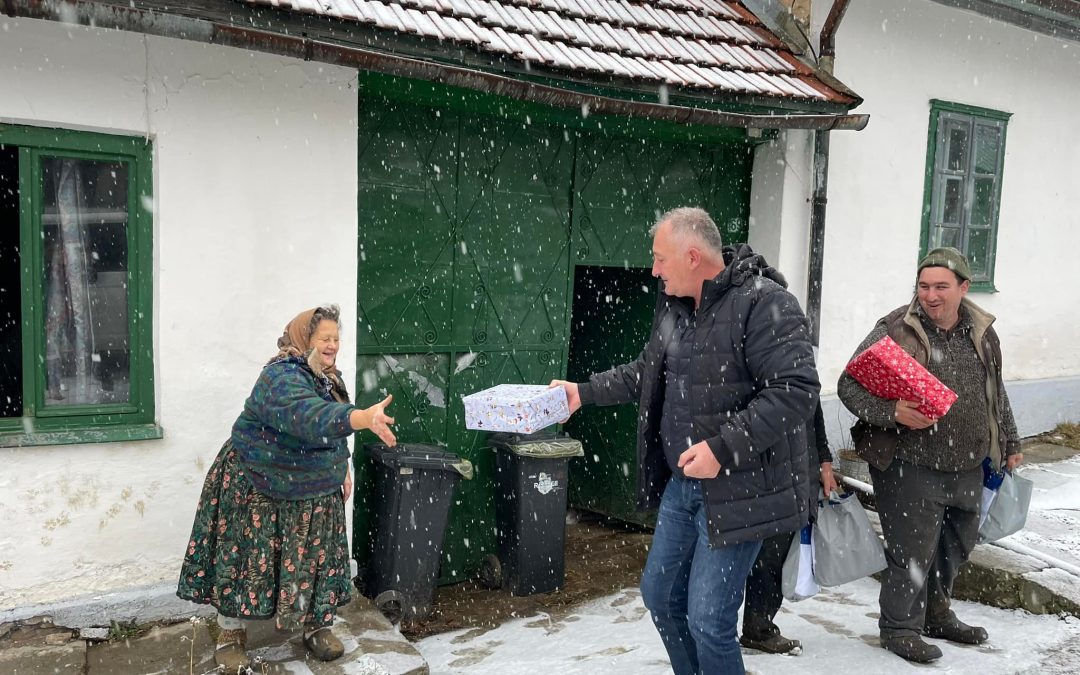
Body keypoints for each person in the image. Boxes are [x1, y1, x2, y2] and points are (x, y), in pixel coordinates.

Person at [551, 207, 820, 675]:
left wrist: (723, 448)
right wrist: (583, 393)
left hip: (742, 488)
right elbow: (646, 372)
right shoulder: (676, 307)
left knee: (710, 621)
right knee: (660, 596)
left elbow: (796, 389)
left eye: (660, 259)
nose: (654, 270)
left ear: (693, 256)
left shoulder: (763, 302)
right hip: (685, 484)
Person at [177, 306, 397, 672]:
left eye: (336, 339)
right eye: (324, 338)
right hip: (259, 483)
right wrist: (361, 418)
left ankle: (316, 626)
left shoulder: (328, 378)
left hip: (312, 486)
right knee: (246, 559)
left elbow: (331, 430)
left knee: (316, 556)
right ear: (303, 340)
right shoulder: (279, 376)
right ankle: (231, 634)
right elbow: (308, 416)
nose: (332, 346)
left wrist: (343, 466)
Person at [837, 247, 1022, 663]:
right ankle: (900, 627)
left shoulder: (982, 331)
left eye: (941, 286)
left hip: (969, 463)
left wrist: (1010, 442)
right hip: (909, 464)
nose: (930, 295)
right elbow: (848, 384)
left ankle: (936, 614)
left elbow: (997, 390)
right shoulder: (895, 329)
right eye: (924, 286)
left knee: (956, 544)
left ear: (963, 287)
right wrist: (892, 412)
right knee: (911, 551)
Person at [740, 402, 837, 655]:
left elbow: (814, 413)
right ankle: (743, 626)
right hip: (764, 471)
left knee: (777, 554)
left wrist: (825, 462)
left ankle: (757, 626)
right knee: (762, 556)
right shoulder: (760, 366)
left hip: (799, 472)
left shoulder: (803, 367)